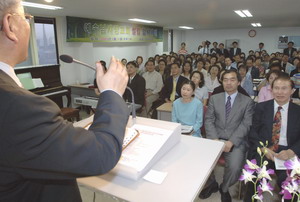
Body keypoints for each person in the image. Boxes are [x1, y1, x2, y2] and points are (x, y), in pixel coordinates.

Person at [0, 1, 130, 201]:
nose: (29, 25)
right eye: (26, 18)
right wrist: (112, 92)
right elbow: (101, 153)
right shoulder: (16, 105)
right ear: (10, 26)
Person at [200, 69, 254, 202]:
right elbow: (209, 120)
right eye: (225, 80)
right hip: (215, 138)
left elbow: (246, 124)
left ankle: (224, 188)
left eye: (232, 79)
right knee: (200, 160)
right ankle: (212, 183)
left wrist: (231, 142)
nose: (228, 83)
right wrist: (214, 139)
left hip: (235, 141)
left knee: (235, 167)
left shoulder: (247, 101)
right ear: (222, 82)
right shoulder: (214, 98)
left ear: (239, 82)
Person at [245, 74, 300, 202]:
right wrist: (264, 149)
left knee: (290, 183)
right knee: (254, 176)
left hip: (289, 151)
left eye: (284, 88)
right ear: (271, 89)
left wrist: (291, 151)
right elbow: (252, 132)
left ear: (292, 91)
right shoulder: (261, 107)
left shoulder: (298, 111)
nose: (280, 92)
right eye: (276, 88)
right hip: (265, 149)